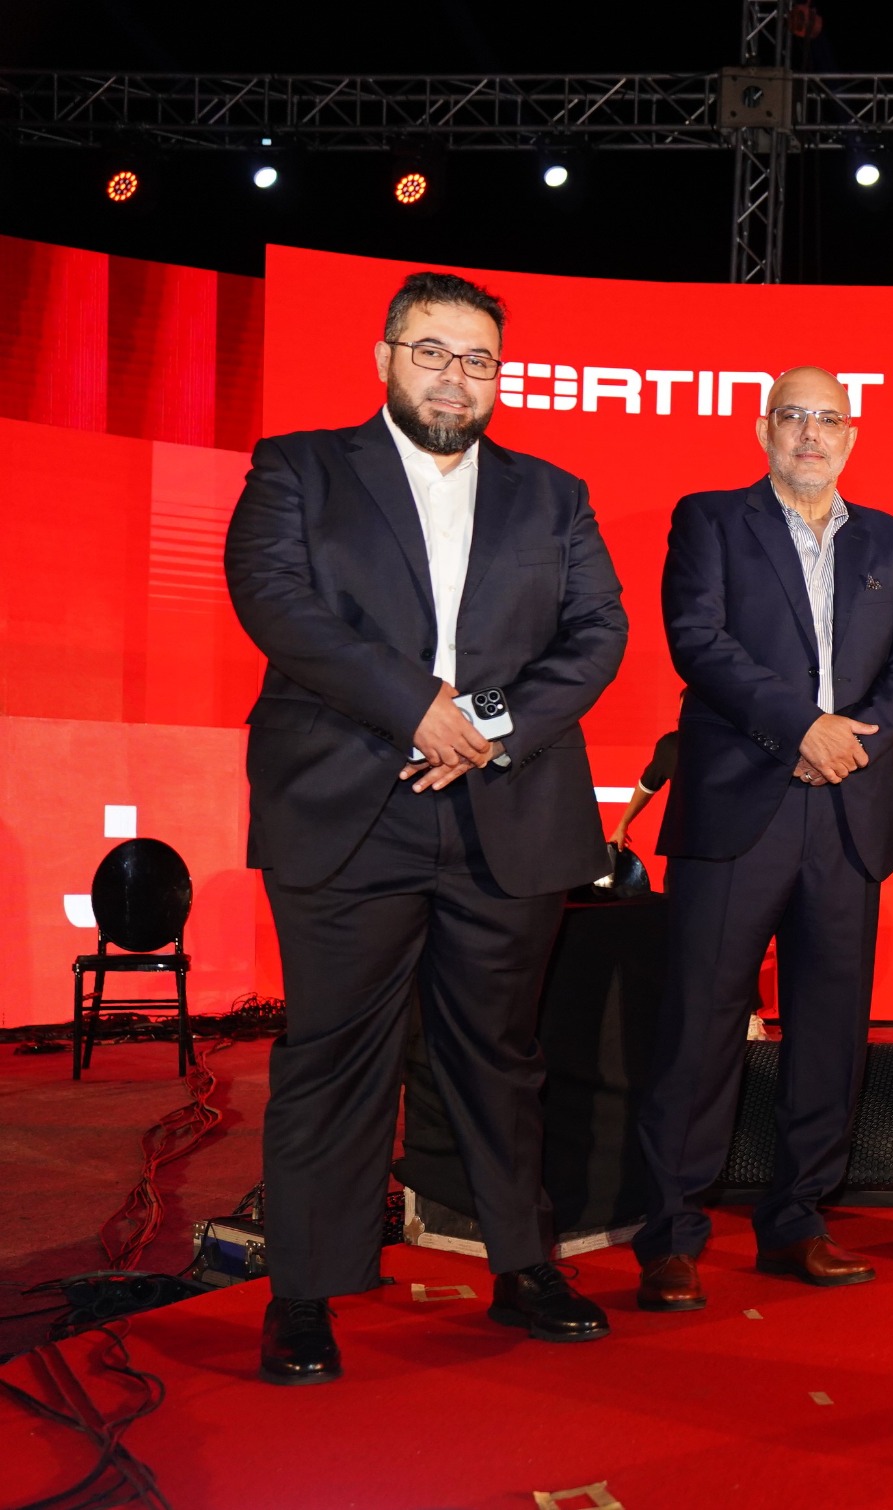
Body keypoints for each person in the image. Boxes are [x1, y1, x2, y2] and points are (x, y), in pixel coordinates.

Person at [224, 271, 628, 1385]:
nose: (456, 377)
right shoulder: (299, 468)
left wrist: (481, 726)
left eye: (479, 359)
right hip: (346, 805)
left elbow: (597, 632)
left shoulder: (554, 495)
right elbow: (276, 602)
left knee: (500, 1055)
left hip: (505, 808)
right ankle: (305, 1293)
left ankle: (523, 1265)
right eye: (433, 352)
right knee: (332, 1053)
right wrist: (416, 708)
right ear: (385, 357)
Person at [631, 369, 893, 1308]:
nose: (811, 433)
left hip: (849, 806)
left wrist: (850, 743)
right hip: (739, 802)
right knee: (702, 1021)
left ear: (852, 435)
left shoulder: (889, 538)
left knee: (831, 1028)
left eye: (828, 418)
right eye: (793, 416)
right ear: (765, 428)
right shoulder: (711, 519)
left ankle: (798, 1219)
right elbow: (699, 641)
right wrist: (802, 729)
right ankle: (672, 1232)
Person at [603, 730, 680, 848]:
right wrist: (623, 823)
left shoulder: (671, 745)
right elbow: (647, 786)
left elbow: (647, 786)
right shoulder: (670, 746)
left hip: (684, 840)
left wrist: (623, 824)